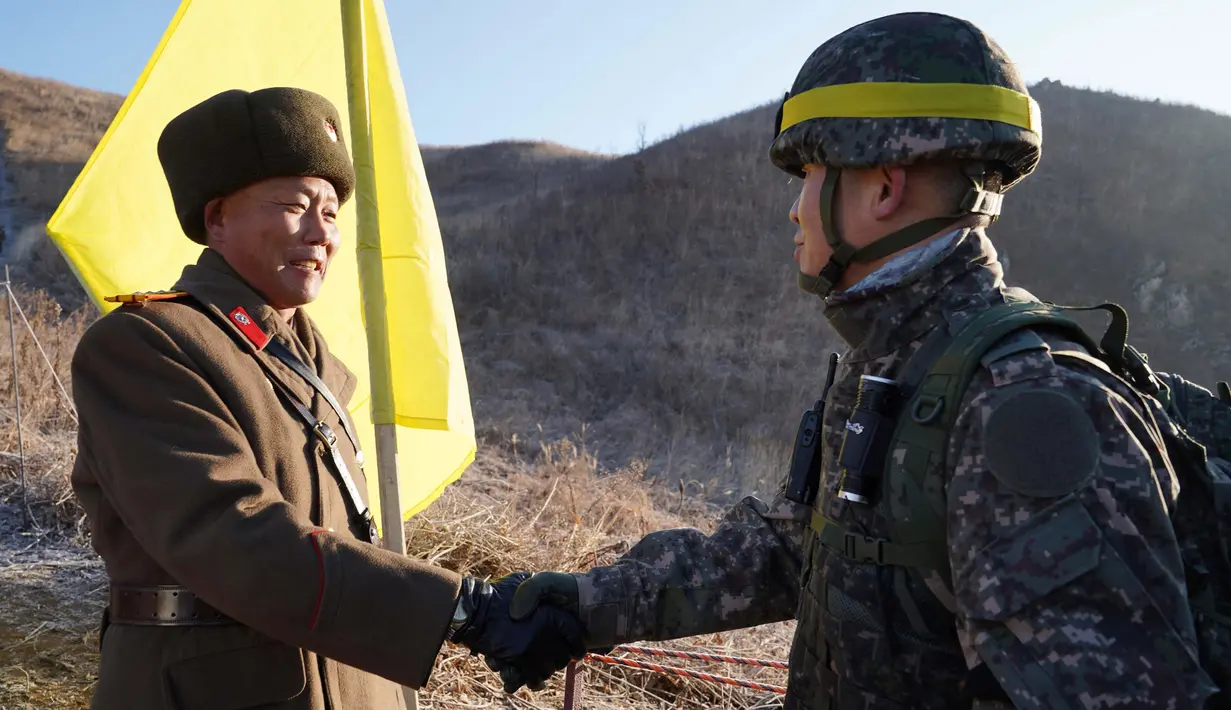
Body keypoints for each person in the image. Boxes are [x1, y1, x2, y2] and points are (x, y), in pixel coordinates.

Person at [496, 12, 1226, 709]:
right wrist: (578, 605)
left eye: (810, 173)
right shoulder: (899, 367)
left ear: (882, 185)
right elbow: (792, 550)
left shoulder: (1024, 405)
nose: (794, 208)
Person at [69, 87, 584, 710]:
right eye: (292, 206)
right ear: (217, 219)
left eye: (333, 213)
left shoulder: (317, 365)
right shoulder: (144, 346)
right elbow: (231, 534)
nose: (321, 233)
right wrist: (463, 611)